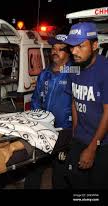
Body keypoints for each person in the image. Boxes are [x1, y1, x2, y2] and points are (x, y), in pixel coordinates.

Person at [24, 34, 72, 189]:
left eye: (61, 49)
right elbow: (36, 99)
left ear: (69, 52)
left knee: (60, 176)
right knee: (33, 171)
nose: (55, 52)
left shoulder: (75, 72)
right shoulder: (44, 74)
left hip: (64, 132)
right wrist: (35, 122)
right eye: (53, 48)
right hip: (43, 130)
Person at [64, 22, 108, 189]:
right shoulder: (72, 68)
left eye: (80, 46)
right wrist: (75, 132)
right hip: (80, 138)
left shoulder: (105, 70)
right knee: (73, 178)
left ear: (95, 45)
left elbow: (107, 113)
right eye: (72, 46)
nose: (74, 51)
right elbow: (74, 101)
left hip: (102, 144)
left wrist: (92, 148)